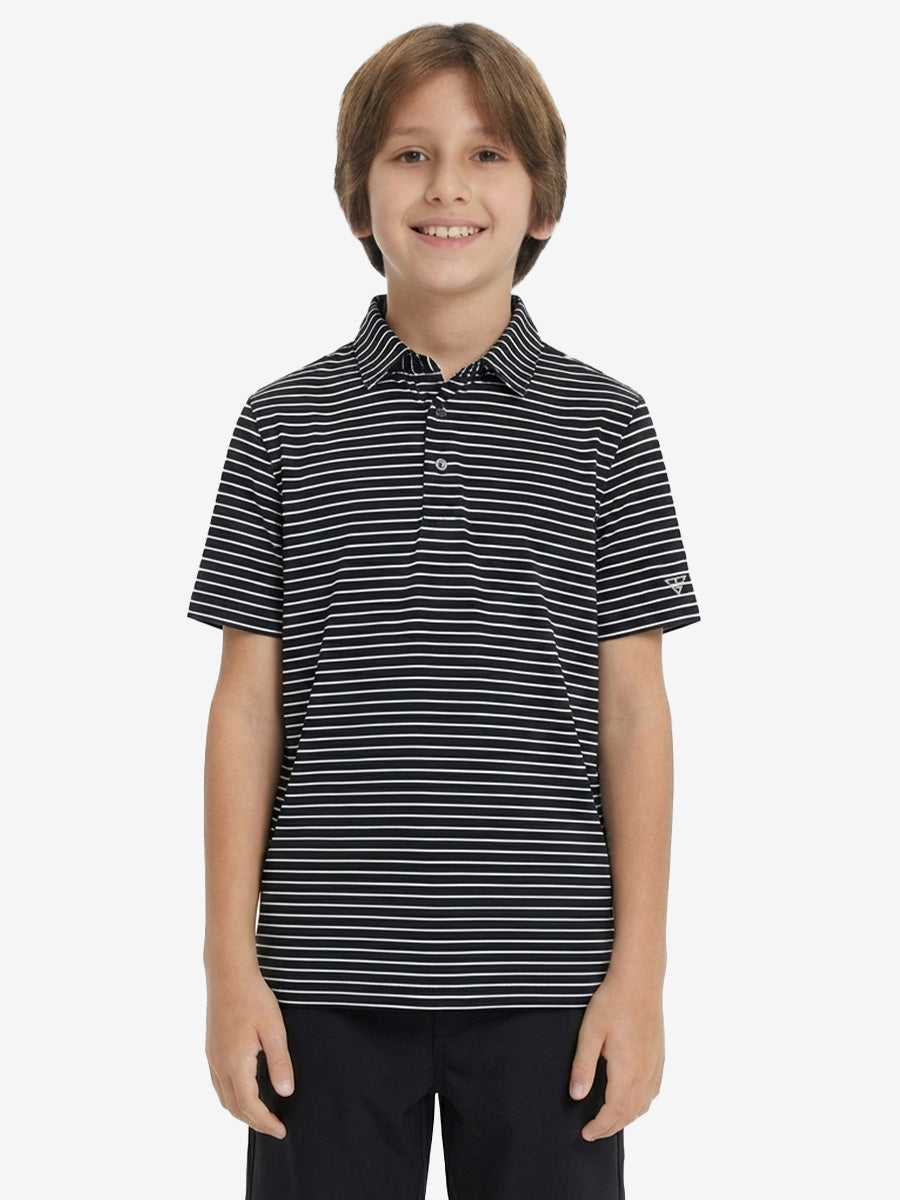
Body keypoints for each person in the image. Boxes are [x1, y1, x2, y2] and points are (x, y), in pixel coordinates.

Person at [187, 22, 701, 1200]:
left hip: (549, 982)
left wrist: (640, 976)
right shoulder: (281, 427)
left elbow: (635, 711)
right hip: (319, 980)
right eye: (411, 155)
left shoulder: (609, 428)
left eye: (488, 155)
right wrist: (228, 967)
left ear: (543, 203)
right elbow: (244, 707)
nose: (448, 188)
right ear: (359, 199)